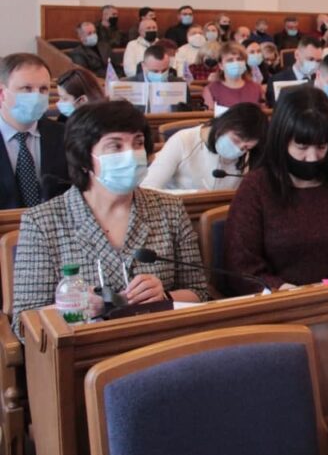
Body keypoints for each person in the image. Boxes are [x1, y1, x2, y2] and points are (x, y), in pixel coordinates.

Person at [11, 100, 208, 334]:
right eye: (115, 146)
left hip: (160, 342)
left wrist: (165, 296)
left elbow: (199, 292)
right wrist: (73, 309)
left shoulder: (170, 209)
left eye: (138, 143)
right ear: (84, 158)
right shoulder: (42, 222)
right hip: (86, 349)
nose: (131, 154)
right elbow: (23, 324)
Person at [225, 87, 328, 293]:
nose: (313, 158)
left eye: (321, 147)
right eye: (302, 147)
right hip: (283, 303)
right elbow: (241, 267)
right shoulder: (256, 188)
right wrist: (280, 288)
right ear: (282, 141)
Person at [143, 103, 267, 191]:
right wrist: (193, 195)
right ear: (224, 125)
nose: (239, 149)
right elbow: (147, 188)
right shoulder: (183, 140)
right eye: (236, 140)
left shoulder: (249, 155)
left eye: (246, 148)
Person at [0, 54, 69, 210]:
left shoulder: (64, 135)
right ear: (2, 93)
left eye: (43, 89)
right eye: (27, 89)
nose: (37, 96)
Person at [123, 45, 193, 112]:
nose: (160, 74)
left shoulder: (179, 84)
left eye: (164, 70)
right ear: (143, 66)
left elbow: (187, 113)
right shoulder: (127, 85)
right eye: (155, 71)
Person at [202, 42, 264, 110]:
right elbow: (209, 115)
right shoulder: (211, 90)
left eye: (239, 59)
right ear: (221, 65)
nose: (235, 63)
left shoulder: (257, 88)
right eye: (230, 60)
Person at [267, 36, 322, 108]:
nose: (314, 64)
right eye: (310, 59)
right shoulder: (276, 80)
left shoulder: (321, 80)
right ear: (297, 55)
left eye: (318, 61)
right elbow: (276, 110)